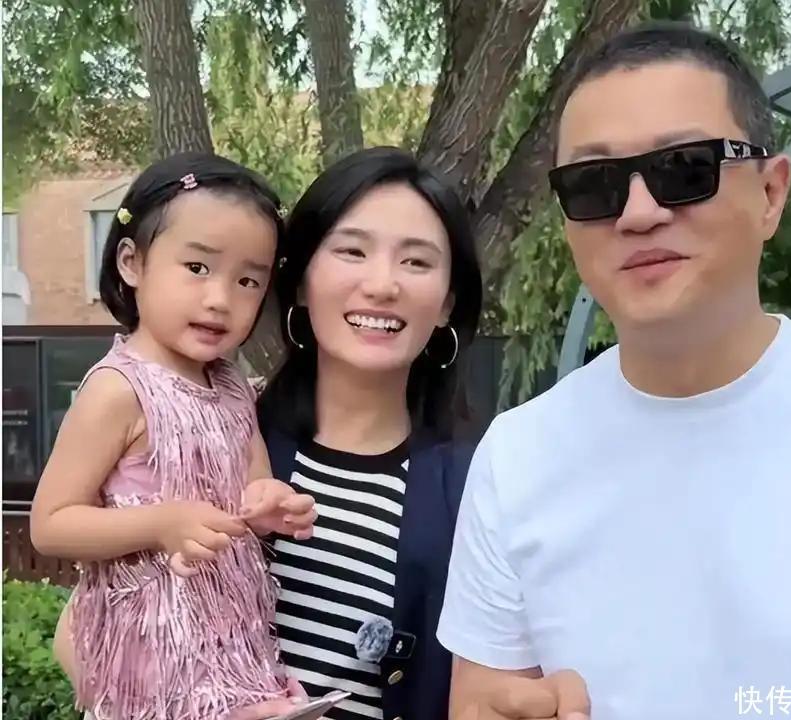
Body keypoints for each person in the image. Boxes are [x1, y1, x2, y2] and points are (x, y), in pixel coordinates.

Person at [436, 21, 791, 720]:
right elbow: (482, 700)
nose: (638, 213)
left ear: (770, 193)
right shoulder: (516, 456)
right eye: (593, 184)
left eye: (684, 168)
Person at [31, 152, 318, 720]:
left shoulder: (233, 387)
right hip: (151, 650)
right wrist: (160, 524)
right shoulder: (118, 390)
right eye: (197, 267)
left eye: (247, 280)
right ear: (132, 262)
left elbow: (252, 485)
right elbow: (51, 524)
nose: (220, 298)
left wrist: (270, 504)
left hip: (229, 640)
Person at [256, 146, 483, 720]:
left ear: (447, 303)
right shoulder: (223, 435)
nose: (382, 285)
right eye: (352, 251)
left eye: (416, 262)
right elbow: (91, 632)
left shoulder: (478, 487)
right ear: (300, 282)